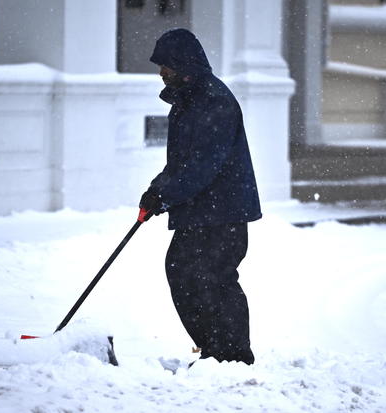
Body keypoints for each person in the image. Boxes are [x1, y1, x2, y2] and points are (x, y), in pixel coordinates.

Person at [139, 28, 262, 365]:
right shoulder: (189, 99)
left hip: (222, 212)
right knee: (186, 274)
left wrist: (166, 196)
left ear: (184, 64)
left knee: (214, 280)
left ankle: (232, 355)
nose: (161, 72)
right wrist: (156, 190)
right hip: (203, 210)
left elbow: (202, 166)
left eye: (166, 65)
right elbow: (181, 162)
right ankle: (215, 350)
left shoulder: (214, 101)